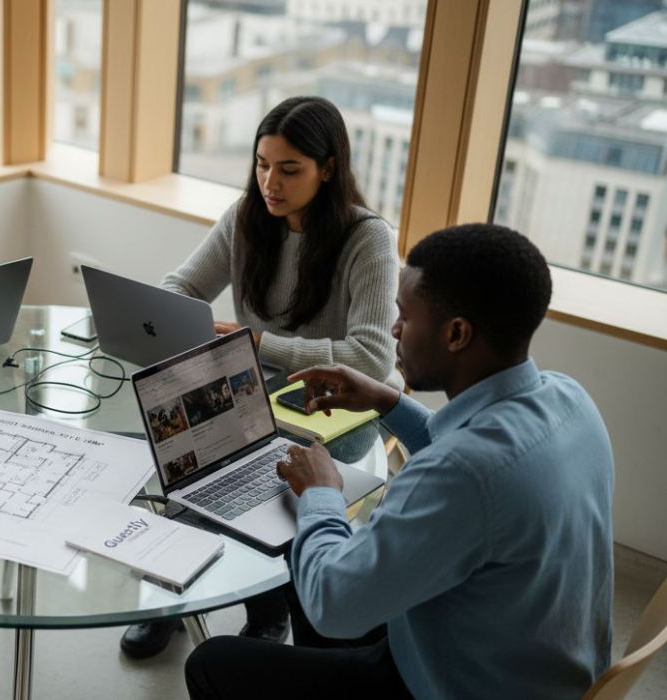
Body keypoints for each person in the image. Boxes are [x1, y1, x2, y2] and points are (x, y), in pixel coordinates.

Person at [186, 224, 614, 699]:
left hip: (449, 683)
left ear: (456, 334)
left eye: (405, 318)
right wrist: (386, 400)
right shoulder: (571, 399)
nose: (393, 331)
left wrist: (322, 493)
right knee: (308, 550)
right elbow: (478, 451)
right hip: (525, 657)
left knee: (212, 662)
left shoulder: (460, 475)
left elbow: (332, 606)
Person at [122, 95, 400, 658]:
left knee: (249, 470)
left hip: (335, 405)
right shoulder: (246, 217)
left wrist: (262, 344)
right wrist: (189, 322)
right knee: (181, 456)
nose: (270, 183)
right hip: (250, 388)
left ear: (328, 169)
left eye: (289, 169)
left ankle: (264, 607)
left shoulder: (368, 238)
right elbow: (180, 288)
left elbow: (372, 359)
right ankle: (173, 592)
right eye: (261, 164)